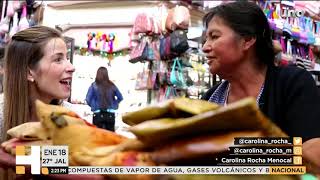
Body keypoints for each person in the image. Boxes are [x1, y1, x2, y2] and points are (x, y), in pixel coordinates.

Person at [201, 1, 320, 175]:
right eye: (206, 39)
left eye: (214, 36)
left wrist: (231, 153)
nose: (205, 47)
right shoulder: (210, 99)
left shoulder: (292, 83)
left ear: (247, 40)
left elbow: (314, 154)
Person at [0, 26, 103, 180]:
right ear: (29, 72)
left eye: (67, 58)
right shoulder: (1, 116)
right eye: (58, 59)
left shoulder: (74, 117)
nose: (71, 67)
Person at [86, 66, 123, 131]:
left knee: (98, 136)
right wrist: (114, 104)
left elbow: (88, 99)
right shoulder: (111, 85)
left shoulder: (93, 85)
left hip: (97, 114)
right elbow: (120, 97)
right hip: (110, 114)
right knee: (110, 136)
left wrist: (94, 105)